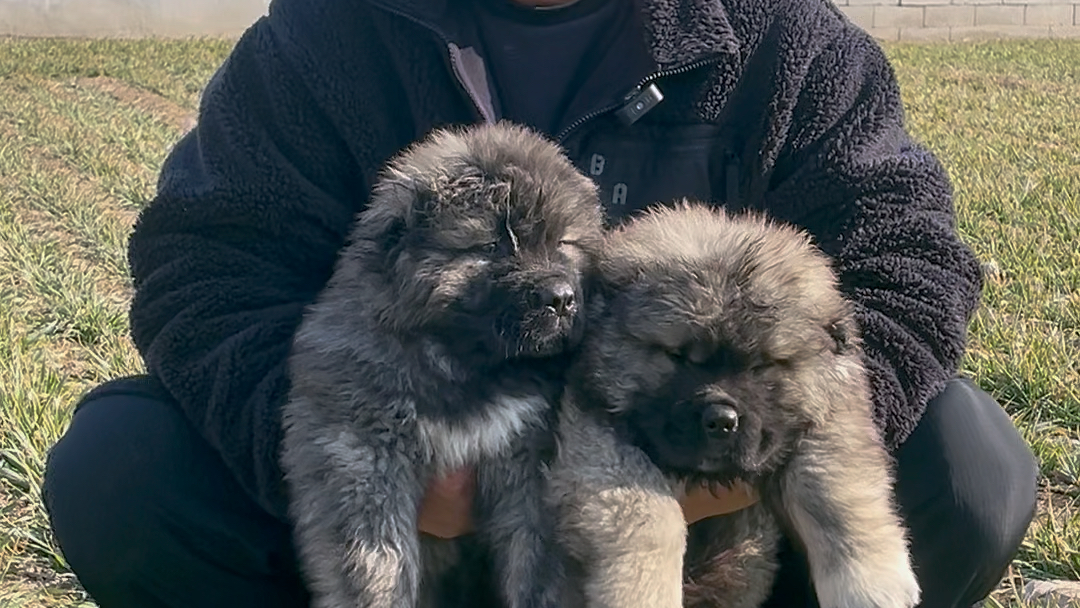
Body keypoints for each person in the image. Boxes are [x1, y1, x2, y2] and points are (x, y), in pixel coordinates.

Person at [41, 0, 1038, 606]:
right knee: (126, 467)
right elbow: (211, 267)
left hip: (706, 520)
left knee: (966, 465)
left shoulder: (785, 42)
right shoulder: (325, 37)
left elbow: (902, 258)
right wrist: (380, 472)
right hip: (413, 508)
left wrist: (729, 466)